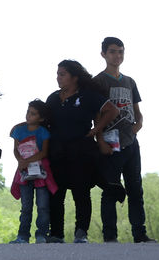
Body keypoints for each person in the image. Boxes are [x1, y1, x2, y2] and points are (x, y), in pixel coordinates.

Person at [45, 59, 118, 243]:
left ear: (75, 77)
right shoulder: (53, 98)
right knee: (56, 192)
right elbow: (42, 122)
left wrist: (96, 129)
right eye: (57, 74)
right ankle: (56, 234)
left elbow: (112, 110)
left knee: (81, 192)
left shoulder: (88, 96)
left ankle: (81, 232)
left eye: (62, 74)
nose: (58, 78)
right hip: (56, 151)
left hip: (81, 151)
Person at [93, 37, 156, 243]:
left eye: (120, 51)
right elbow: (95, 114)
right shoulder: (98, 82)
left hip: (131, 142)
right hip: (111, 141)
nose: (117, 55)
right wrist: (100, 139)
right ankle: (110, 237)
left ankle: (140, 234)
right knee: (111, 187)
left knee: (135, 188)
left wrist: (137, 126)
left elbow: (137, 111)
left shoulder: (130, 81)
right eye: (112, 51)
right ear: (103, 54)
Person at [8, 100, 56, 244]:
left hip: (40, 171)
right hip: (23, 171)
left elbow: (44, 152)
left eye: (33, 114)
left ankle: (41, 234)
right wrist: (20, 161)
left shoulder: (43, 132)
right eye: (28, 112)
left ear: (41, 118)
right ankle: (22, 235)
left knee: (42, 206)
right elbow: (16, 149)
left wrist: (27, 161)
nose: (28, 115)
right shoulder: (18, 131)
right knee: (26, 206)